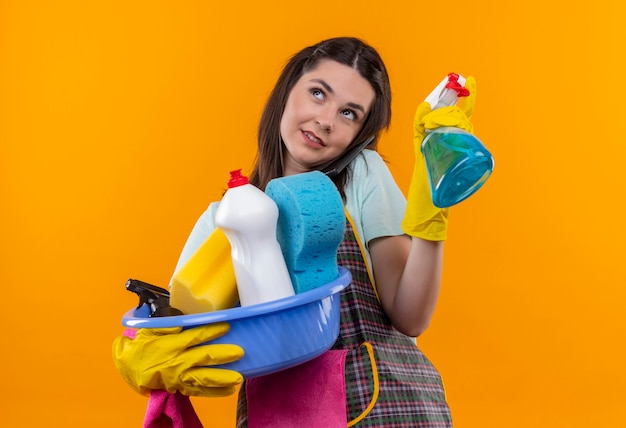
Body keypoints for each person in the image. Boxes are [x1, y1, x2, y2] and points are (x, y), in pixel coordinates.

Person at [113, 36, 476, 427]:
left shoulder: (361, 176)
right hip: (276, 416)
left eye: (349, 114)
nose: (326, 120)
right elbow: (183, 328)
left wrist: (430, 215)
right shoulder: (224, 220)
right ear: (288, 91)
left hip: (388, 408)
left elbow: (410, 317)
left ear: (360, 134)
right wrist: (144, 353)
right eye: (318, 93)